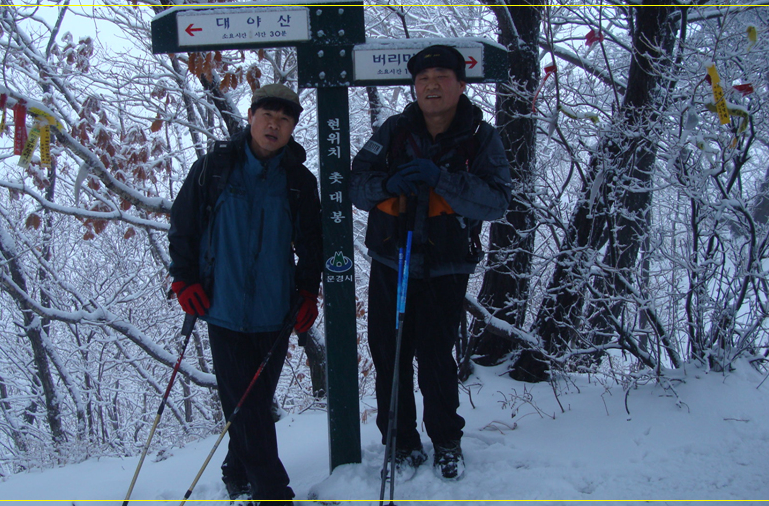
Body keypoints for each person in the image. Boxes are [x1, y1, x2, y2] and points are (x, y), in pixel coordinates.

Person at [350, 45, 512, 481]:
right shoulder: (394, 131)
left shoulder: (481, 137)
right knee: (390, 354)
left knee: (436, 358)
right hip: (392, 260)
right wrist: (389, 182)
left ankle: (446, 441)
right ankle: (399, 443)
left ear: (461, 84)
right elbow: (356, 185)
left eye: (442, 76)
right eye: (423, 79)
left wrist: (441, 179)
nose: (432, 85)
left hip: (445, 266)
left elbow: (496, 201)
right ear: (414, 87)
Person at [168, 83, 322, 504]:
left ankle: (236, 470)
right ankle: (273, 493)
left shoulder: (298, 181)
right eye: (267, 115)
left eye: (285, 119)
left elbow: (311, 242)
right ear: (251, 117)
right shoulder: (213, 169)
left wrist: (308, 291)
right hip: (224, 307)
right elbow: (183, 227)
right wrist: (184, 280)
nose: (274, 124)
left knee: (251, 402)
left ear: (293, 127)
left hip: (275, 310)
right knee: (250, 406)